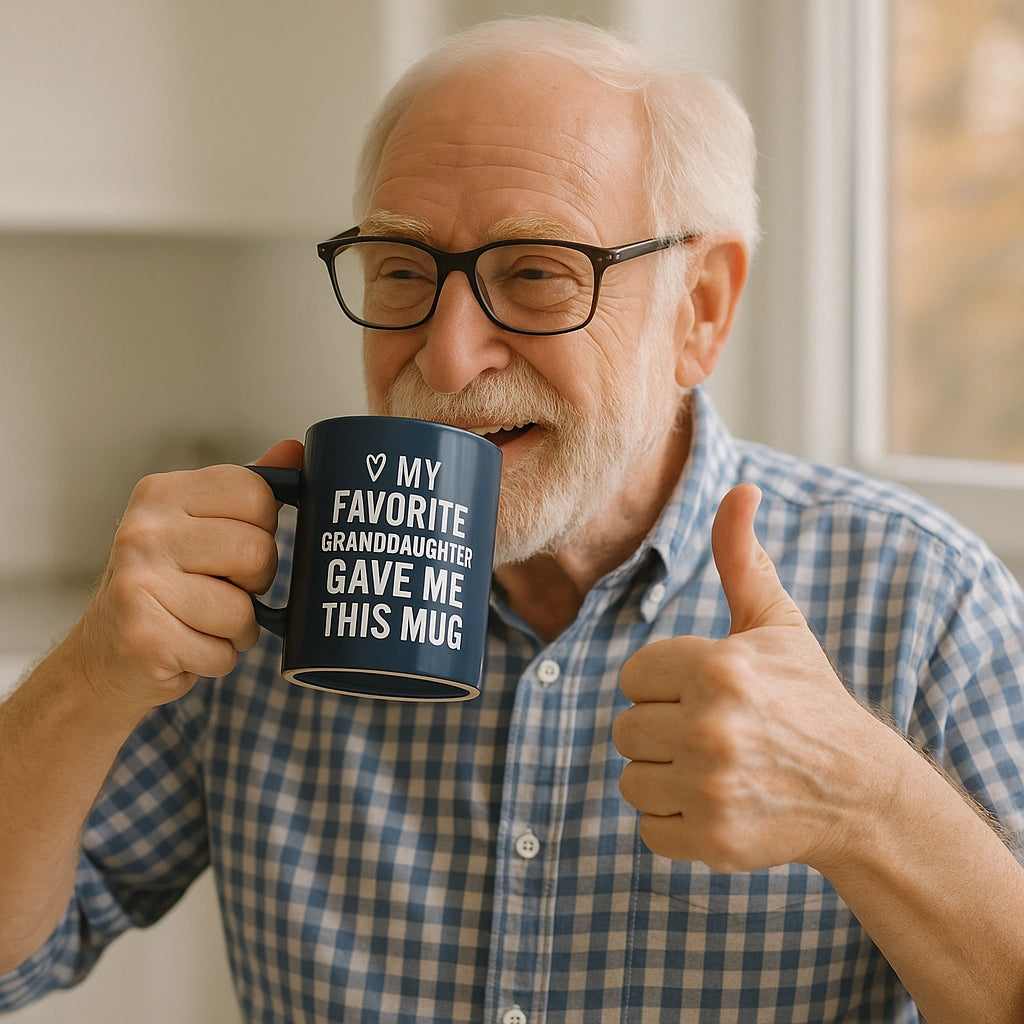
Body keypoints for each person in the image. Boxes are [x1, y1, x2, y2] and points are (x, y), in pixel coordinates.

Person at [2, 15, 1023, 1023]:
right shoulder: (262, 588)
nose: (447, 359)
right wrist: (87, 677)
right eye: (403, 271)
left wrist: (870, 805)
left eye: (535, 273)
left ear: (699, 308)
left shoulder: (921, 599)